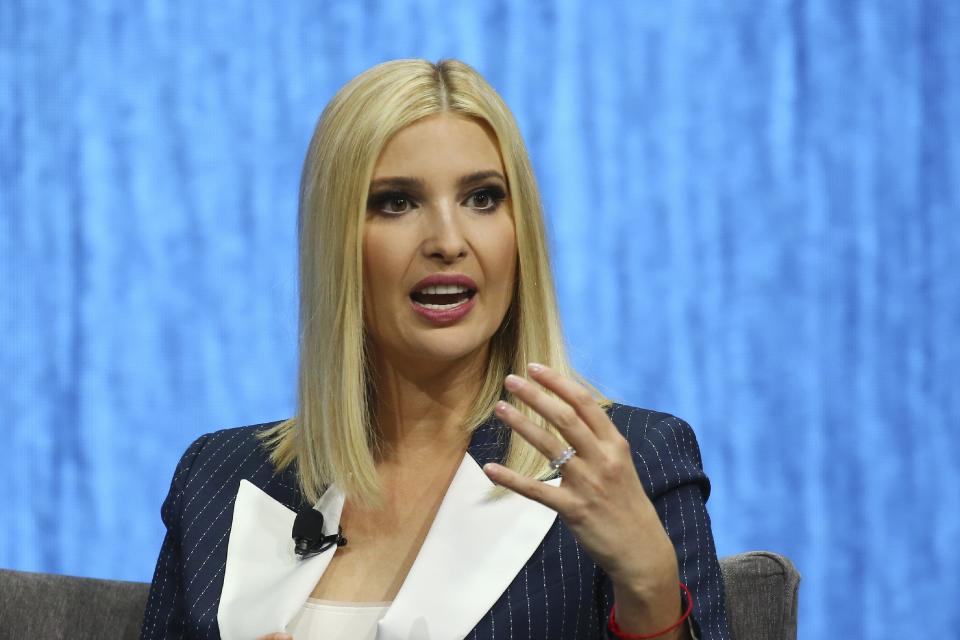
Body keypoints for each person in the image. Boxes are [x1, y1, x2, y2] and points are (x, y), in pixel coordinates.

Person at [140, 59, 731, 640]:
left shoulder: (625, 463)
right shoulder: (219, 478)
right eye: (396, 202)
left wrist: (652, 589)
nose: (449, 242)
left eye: (482, 198)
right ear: (338, 242)